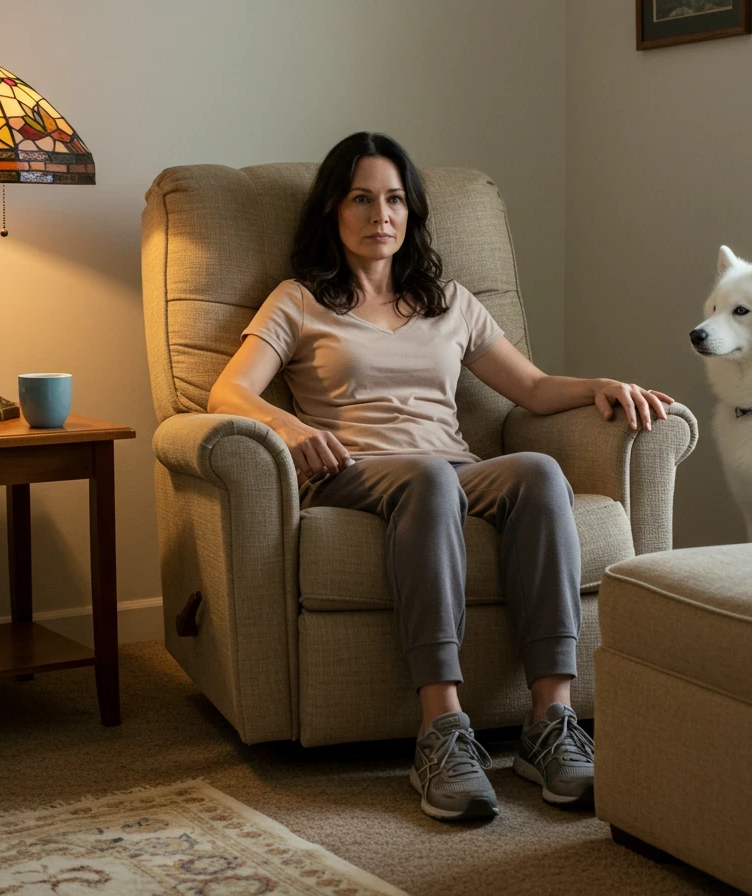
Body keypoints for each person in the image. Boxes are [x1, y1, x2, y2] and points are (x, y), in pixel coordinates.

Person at [207, 132, 675, 822]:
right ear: (333, 211)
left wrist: (601, 386)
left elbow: (535, 390)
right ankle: (444, 730)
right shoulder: (300, 300)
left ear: (412, 211)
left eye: (394, 199)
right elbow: (227, 393)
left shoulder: (448, 301)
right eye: (362, 199)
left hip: (453, 468)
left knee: (539, 472)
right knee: (430, 477)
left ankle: (552, 723)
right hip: (354, 471)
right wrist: (289, 427)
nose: (380, 215)